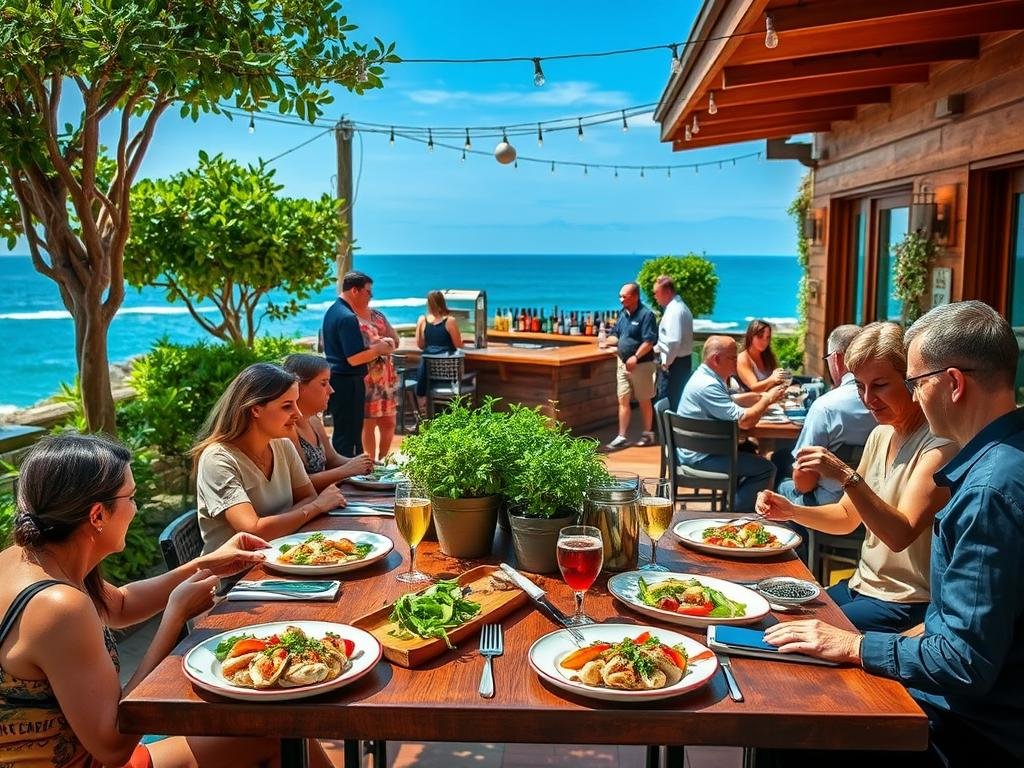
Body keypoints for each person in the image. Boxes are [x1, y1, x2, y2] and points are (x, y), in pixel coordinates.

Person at [761, 301, 1024, 766]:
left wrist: (855, 645)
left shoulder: (987, 490)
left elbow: (963, 661)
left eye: (915, 382)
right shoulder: (1002, 460)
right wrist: (794, 511)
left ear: (954, 383)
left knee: (789, 717)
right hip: (970, 695)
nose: (913, 396)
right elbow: (964, 624)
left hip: (971, 725)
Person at [0, 433, 277, 767]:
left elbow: (119, 605)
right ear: (97, 515)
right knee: (271, 736)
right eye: (131, 497)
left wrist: (207, 564)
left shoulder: (27, 558)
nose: (136, 507)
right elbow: (114, 748)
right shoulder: (59, 607)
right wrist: (174, 618)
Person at [757, 322, 956, 633]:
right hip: (862, 586)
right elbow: (846, 517)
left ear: (911, 381)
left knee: (788, 630)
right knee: (767, 610)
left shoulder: (940, 446)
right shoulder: (881, 434)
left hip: (905, 603)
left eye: (880, 385)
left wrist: (844, 475)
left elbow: (899, 535)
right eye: (860, 386)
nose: (868, 398)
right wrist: (792, 511)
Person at [193, 362, 346, 554]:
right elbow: (252, 531)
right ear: (255, 410)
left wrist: (278, 524)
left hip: (282, 555)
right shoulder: (218, 459)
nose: (298, 414)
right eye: (287, 406)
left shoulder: (282, 446)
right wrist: (316, 507)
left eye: (296, 403)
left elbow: (308, 496)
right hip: (238, 570)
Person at [676, 335, 787, 511]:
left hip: (701, 450)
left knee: (750, 450)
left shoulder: (706, 376)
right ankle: (735, 513)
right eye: (733, 357)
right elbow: (744, 422)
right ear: (716, 359)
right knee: (766, 468)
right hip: (701, 458)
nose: (737, 361)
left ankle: (737, 502)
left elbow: (731, 400)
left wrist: (761, 396)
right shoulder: (708, 385)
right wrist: (767, 400)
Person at [773, 324, 877, 506]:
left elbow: (804, 484)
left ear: (836, 359)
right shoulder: (886, 404)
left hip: (827, 505)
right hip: (875, 501)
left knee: (781, 481)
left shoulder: (826, 407)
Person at [322, 271, 395, 456]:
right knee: (350, 437)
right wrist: (379, 349)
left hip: (338, 380)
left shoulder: (333, 311)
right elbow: (353, 358)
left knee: (345, 434)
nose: (371, 296)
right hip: (348, 382)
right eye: (368, 291)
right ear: (355, 290)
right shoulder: (347, 317)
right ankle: (349, 471)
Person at [282, 354, 374, 490]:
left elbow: (332, 460)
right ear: (299, 387)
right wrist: (346, 470)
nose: (331, 390)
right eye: (323, 383)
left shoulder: (314, 420)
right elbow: (297, 484)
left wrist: (364, 463)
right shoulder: (285, 428)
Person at [606, 282, 659, 449]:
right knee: (623, 399)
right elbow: (616, 335)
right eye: (620, 296)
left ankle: (648, 434)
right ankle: (621, 436)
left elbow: (649, 341)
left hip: (641, 365)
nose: (621, 300)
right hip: (622, 363)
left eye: (624, 296)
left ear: (635, 296)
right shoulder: (623, 314)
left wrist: (635, 357)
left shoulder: (646, 315)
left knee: (644, 400)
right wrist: (606, 341)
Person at [351, 296, 400, 462]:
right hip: (367, 377)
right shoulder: (350, 319)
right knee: (368, 423)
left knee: (389, 422)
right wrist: (381, 345)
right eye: (366, 291)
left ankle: (384, 460)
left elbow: (395, 340)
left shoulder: (378, 315)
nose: (369, 295)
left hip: (386, 377)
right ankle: (371, 463)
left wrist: (383, 344)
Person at [414, 290, 464, 411]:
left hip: (427, 374)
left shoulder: (422, 320)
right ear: (443, 302)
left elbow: (420, 345)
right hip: (448, 374)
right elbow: (458, 345)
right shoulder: (450, 321)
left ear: (428, 304)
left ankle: (424, 410)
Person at [652, 275, 694, 409]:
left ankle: (666, 424)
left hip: (675, 365)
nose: (655, 296)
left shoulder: (675, 311)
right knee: (675, 400)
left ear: (668, 292)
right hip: (680, 362)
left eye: (657, 293)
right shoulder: (678, 307)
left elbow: (674, 341)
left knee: (667, 403)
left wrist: (666, 363)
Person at [735, 318, 788, 393]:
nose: (764, 341)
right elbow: (754, 387)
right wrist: (772, 379)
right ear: (750, 336)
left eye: (767, 337)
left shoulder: (768, 356)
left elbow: (776, 380)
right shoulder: (743, 359)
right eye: (760, 336)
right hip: (757, 399)